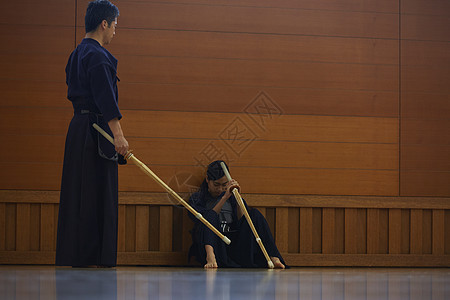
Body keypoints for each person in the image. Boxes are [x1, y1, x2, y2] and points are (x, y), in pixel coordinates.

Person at [56, 0, 128, 267]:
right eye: (114, 26)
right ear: (104, 23)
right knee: (98, 193)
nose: (114, 32)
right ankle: (95, 257)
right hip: (97, 132)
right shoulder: (97, 56)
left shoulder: (75, 54)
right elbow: (105, 98)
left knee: (79, 191)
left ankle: (79, 255)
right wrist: (118, 135)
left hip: (77, 130)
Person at [188, 160, 286, 269]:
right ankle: (211, 258)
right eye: (216, 185)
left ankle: (273, 256)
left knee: (254, 214)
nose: (220, 189)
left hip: (233, 245)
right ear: (207, 180)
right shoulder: (197, 198)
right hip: (214, 246)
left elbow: (243, 220)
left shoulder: (231, 196)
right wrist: (224, 197)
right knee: (210, 216)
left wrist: (237, 197)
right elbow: (202, 221)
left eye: (224, 185)